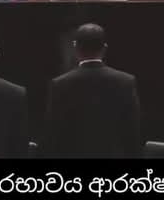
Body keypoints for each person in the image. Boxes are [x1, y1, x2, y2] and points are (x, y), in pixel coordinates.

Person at [42, 23, 141, 158]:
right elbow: (132, 132)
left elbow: (52, 133)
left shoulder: (60, 84)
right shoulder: (126, 82)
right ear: (104, 48)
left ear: (75, 47)